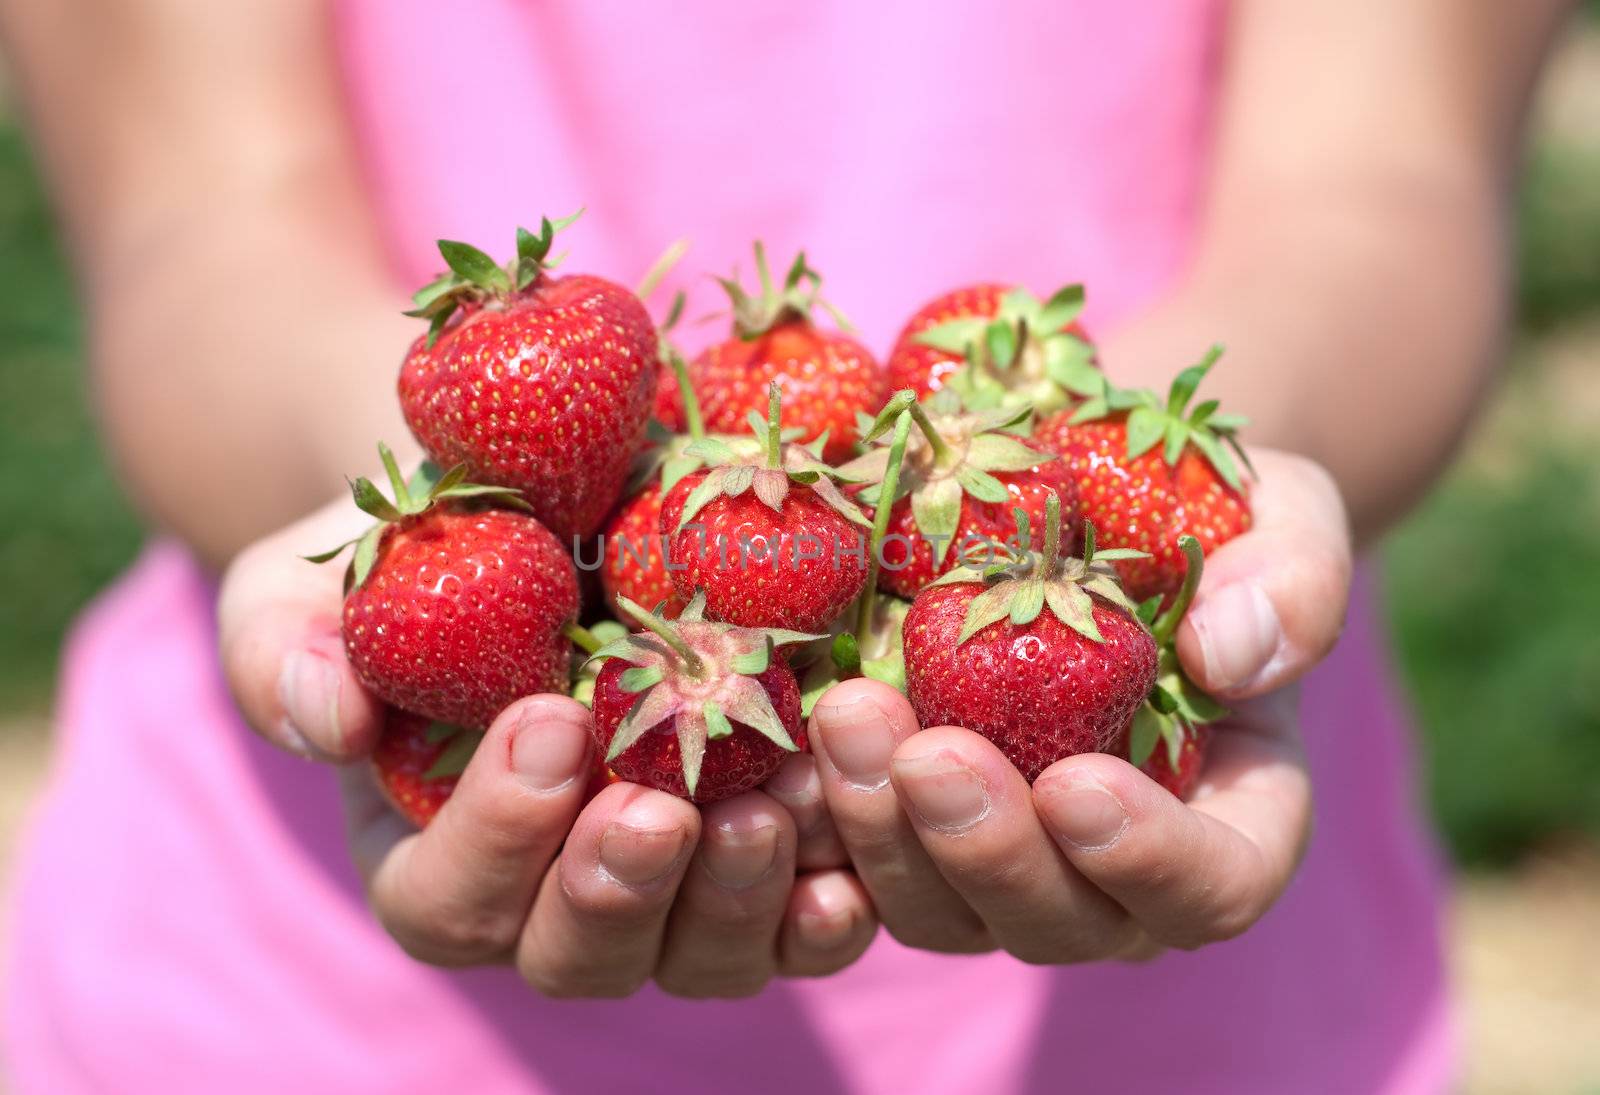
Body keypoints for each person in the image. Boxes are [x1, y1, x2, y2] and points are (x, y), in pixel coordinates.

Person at [0, 1, 1574, 1091]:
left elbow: (1385, 180)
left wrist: (1217, 486)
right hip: (287, 1019)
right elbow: (196, 228)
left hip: (1192, 1021)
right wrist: (417, 500)